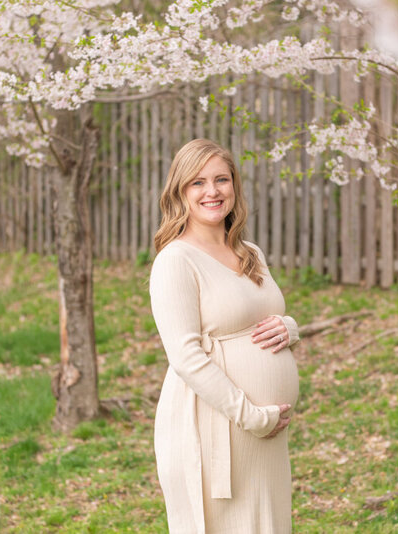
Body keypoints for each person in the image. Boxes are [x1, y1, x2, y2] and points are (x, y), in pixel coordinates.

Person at [149, 138, 301, 533]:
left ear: (234, 185)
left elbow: (265, 314)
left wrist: (289, 328)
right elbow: (186, 357)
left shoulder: (249, 252)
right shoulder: (175, 260)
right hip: (216, 425)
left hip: (265, 433)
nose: (212, 191)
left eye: (221, 179)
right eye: (197, 182)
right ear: (179, 191)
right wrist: (252, 416)